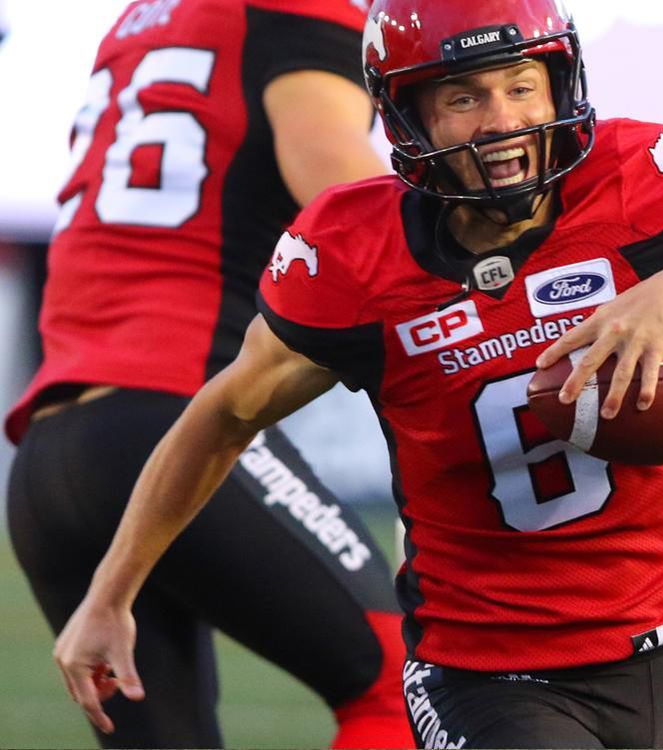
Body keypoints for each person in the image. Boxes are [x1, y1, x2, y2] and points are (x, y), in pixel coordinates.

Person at [51, 0, 663, 747]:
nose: (502, 121)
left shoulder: (639, 183)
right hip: (493, 673)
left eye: (521, 87)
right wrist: (110, 592)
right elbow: (223, 417)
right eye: (462, 98)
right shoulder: (356, 252)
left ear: (560, 84)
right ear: (405, 112)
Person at [4, 1, 413, 748]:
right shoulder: (296, 12)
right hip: (168, 422)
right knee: (401, 687)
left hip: (49, 455)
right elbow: (356, 211)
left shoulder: (141, 21)